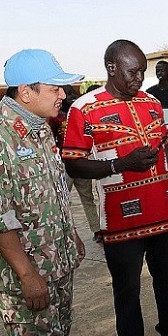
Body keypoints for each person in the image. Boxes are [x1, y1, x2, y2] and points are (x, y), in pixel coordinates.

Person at [62, 39, 168, 336]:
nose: (139, 78)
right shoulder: (85, 108)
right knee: (127, 290)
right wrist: (119, 165)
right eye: (133, 72)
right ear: (112, 68)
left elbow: (164, 152)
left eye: (142, 72)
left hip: (164, 213)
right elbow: (72, 162)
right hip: (121, 222)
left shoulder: (151, 103)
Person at [0, 49, 86, 336]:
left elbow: (52, 190)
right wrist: (29, 276)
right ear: (25, 92)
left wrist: (70, 234)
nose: (63, 94)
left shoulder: (41, 130)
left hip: (57, 263)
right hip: (25, 276)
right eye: (54, 88)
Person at [49, 85, 101, 242]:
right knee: (62, 199)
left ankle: (97, 229)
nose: (71, 96)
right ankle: (64, 233)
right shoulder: (55, 117)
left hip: (81, 163)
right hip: (64, 165)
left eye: (73, 93)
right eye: (67, 93)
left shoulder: (80, 115)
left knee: (87, 197)